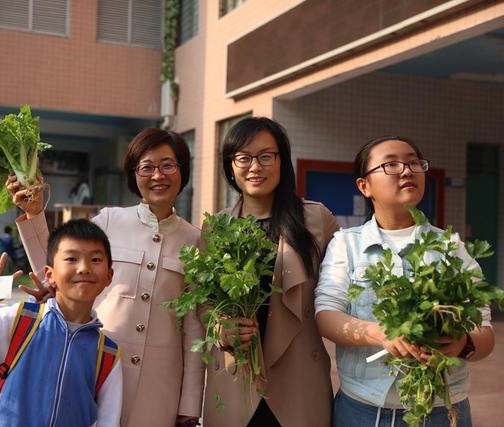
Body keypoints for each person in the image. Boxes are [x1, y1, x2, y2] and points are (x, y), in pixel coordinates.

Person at [7, 128, 205, 426]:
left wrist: (190, 402)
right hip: (97, 365)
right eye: (146, 167)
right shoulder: (109, 220)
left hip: (160, 386)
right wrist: (35, 214)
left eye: (167, 165)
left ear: (182, 171)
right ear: (133, 174)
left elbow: (194, 327)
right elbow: (60, 268)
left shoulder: (196, 240)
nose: (157, 175)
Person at [315, 136, 494, 427]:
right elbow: (325, 315)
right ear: (364, 186)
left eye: (413, 162)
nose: (407, 170)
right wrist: (380, 334)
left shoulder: (451, 246)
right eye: (391, 164)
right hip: (364, 411)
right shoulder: (346, 245)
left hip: (443, 411)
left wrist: (463, 344)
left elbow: (484, 331)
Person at [205, 117, 339, 426]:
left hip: (299, 381)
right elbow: (203, 302)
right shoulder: (216, 227)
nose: (255, 167)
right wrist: (220, 327)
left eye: (266, 156)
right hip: (237, 378)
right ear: (230, 165)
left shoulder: (317, 218)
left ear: (282, 161)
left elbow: (342, 288)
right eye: (244, 157)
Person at [0, 219, 122, 427]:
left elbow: (108, 420)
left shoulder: (107, 353)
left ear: (109, 276)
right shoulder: (19, 321)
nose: (84, 268)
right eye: (71, 258)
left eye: (95, 259)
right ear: (50, 275)